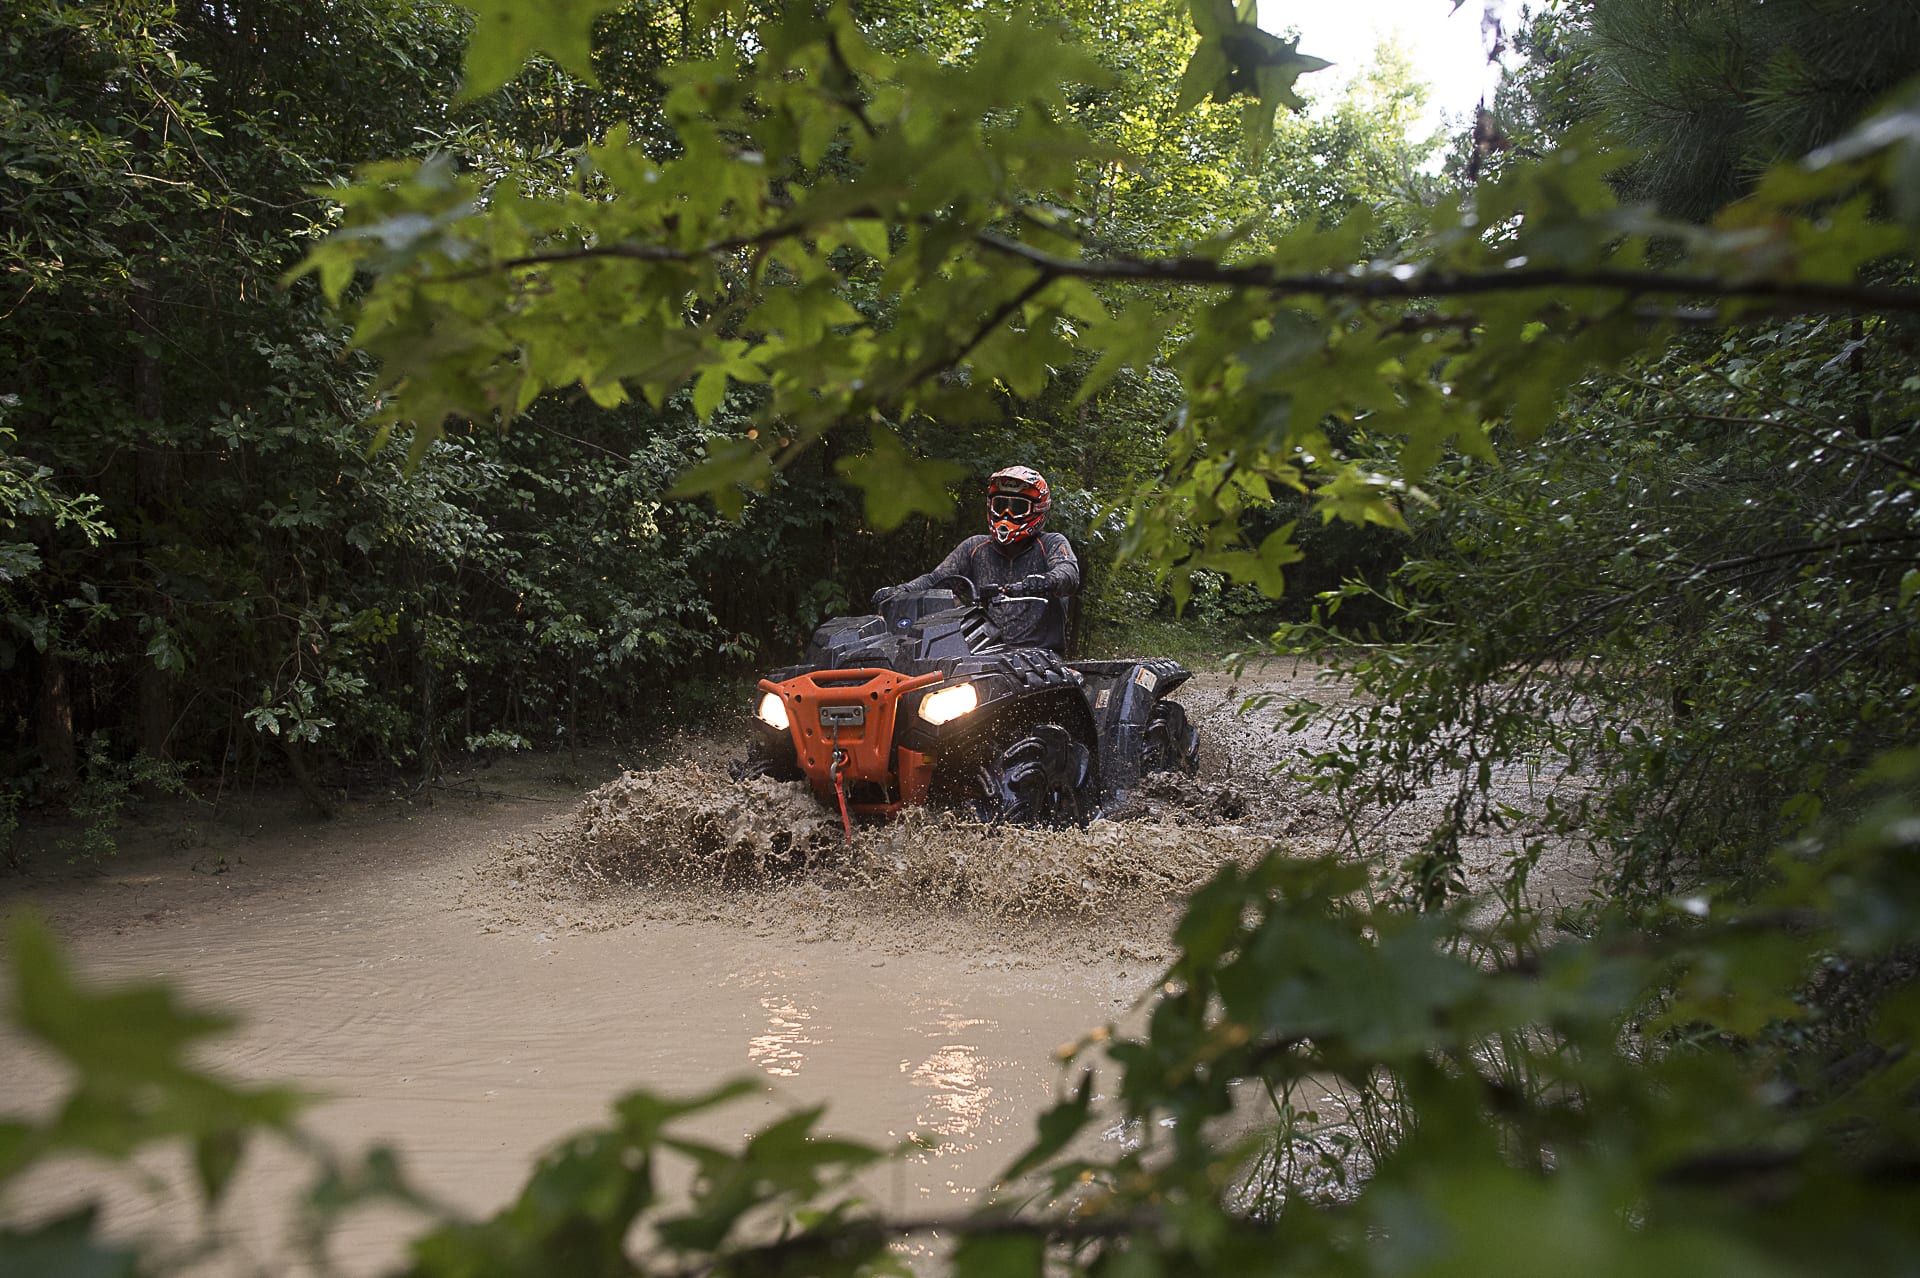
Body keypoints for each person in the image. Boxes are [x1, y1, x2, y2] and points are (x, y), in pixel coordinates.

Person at [871, 465, 1080, 652]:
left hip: (1041, 658)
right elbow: (937, 579)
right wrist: (901, 591)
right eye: (1001, 506)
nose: (1006, 514)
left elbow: (1068, 573)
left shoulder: (1051, 543)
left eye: (1016, 508)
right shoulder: (975, 547)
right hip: (984, 656)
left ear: (1037, 509)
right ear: (990, 506)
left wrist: (1045, 581)